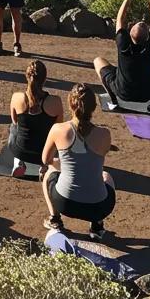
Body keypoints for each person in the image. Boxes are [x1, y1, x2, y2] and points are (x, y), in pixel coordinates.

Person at [41, 83, 116, 240]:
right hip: (98, 207)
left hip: (65, 203)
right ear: (94, 108)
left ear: (70, 104)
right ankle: (96, 226)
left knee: (49, 174)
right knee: (106, 175)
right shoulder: (104, 134)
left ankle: (55, 219)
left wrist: (58, 162)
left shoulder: (58, 129)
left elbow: (45, 159)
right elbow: (91, 160)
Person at [93, 0, 150, 112]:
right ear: (148, 37)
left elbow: (120, 20)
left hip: (122, 92)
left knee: (98, 61)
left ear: (129, 34)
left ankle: (113, 100)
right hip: (146, 94)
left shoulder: (123, 44)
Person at [8, 60, 63, 176]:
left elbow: (15, 122)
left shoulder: (16, 97)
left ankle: (18, 162)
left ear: (27, 77)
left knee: (12, 127)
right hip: (44, 152)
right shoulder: (55, 102)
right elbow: (58, 127)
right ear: (45, 79)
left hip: (21, 150)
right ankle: (45, 166)